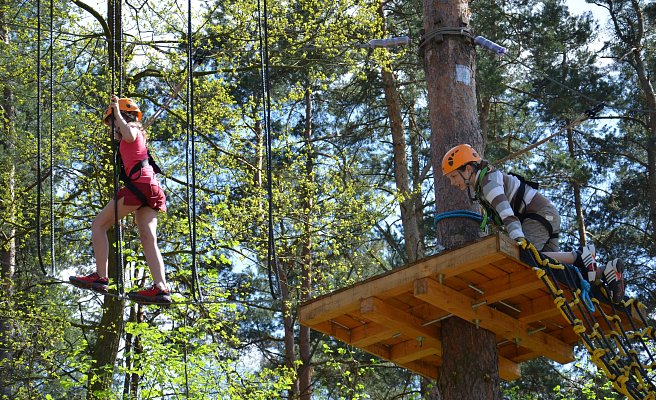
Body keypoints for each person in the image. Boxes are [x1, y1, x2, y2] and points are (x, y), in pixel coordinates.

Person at [441, 143, 625, 303]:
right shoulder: (485, 182)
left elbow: (507, 215)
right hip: (545, 216)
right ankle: (605, 272)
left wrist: (519, 240)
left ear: (467, 169)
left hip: (539, 216)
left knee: (525, 257)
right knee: (552, 268)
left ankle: (580, 256)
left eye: (453, 176)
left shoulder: (489, 184)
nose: (452, 183)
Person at [70, 95, 171, 305]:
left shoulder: (132, 130)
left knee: (98, 225)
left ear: (121, 118)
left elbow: (128, 132)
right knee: (147, 237)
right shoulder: (134, 138)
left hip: (139, 187)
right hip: (151, 189)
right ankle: (161, 287)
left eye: (111, 124)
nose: (111, 130)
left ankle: (100, 275)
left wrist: (116, 113)